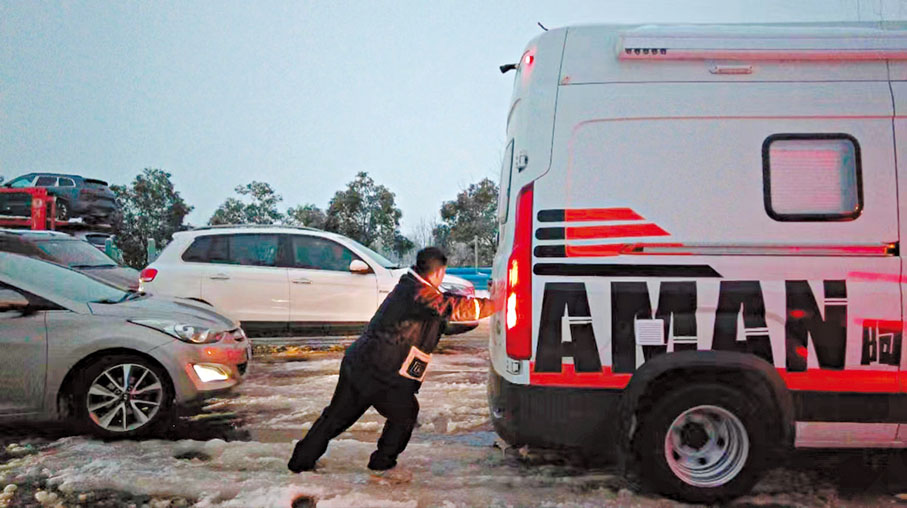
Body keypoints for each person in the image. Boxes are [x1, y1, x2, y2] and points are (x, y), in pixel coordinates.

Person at [288, 247, 494, 473]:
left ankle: (300, 462)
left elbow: (439, 315)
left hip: (362, 364)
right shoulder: (418, 293)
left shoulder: (415, 288)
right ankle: (382, 464)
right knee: (404, 413)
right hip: (380, 370)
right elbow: (450, 307)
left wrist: (466, 321)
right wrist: (495, 305)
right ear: (438, 272)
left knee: (335, 418)